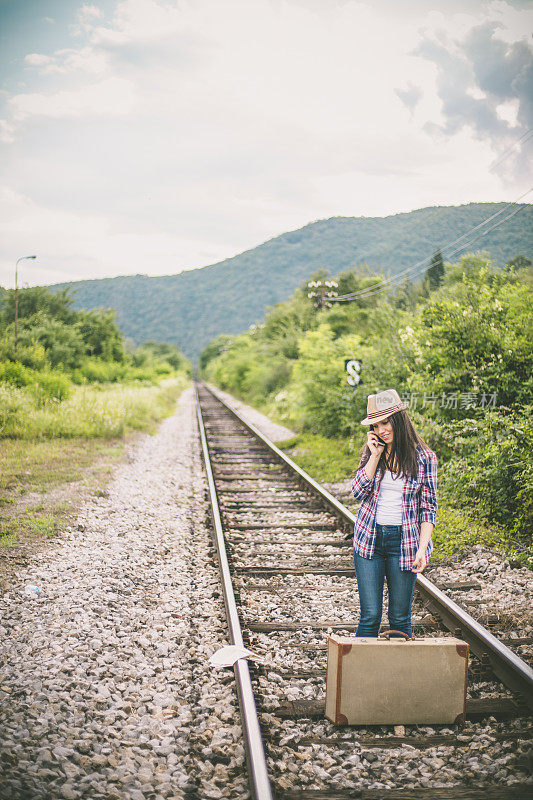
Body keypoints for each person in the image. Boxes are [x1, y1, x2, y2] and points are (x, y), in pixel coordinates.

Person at [351, 388, 438, 638]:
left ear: (399, 418)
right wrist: (375, 457)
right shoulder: (373, 453)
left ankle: (398, 676)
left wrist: (422, 549)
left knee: (399, 618)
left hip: (405, 542)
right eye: (376, 425)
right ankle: (360, 675)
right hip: (370, 540)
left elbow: (428, 508)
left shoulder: (424, 458)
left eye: (385, 422)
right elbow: (357, 492)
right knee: (370, 616)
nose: (381, 430)